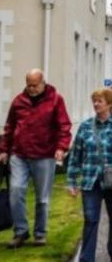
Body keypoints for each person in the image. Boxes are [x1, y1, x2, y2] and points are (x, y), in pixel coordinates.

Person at [0, 69, 71, 248]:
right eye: (28, 85)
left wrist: (61, 147)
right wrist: (4, 149)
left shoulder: (56, 100)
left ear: (43, 83)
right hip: (19, 154)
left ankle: (40, 233)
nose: (31, 89)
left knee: (42, 198)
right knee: (16, 191)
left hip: (44, 155)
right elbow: (9, 126)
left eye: (34, 85)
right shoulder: (19, 101)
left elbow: (64, 125)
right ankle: (20, 231)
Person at [67, 88, 112, 262]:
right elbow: (75, 155)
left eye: (100, 101)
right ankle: (86, 258)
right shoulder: (85, 126)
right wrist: (72, 180)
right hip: (90, 181)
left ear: (110, 104)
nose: (96, 104)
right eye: (94, 101)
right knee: (90, 220)